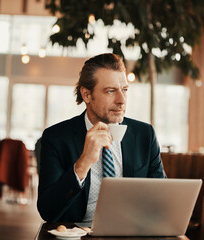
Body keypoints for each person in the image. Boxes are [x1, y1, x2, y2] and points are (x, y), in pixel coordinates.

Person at [37, 53, 166, 223]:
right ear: (87, 95)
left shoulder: (145, 135)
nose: (121, 100)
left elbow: (162, 200)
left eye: (125, 90)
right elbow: (48, 211)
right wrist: (83, 163)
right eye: (111, 91)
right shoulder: (56, 138)